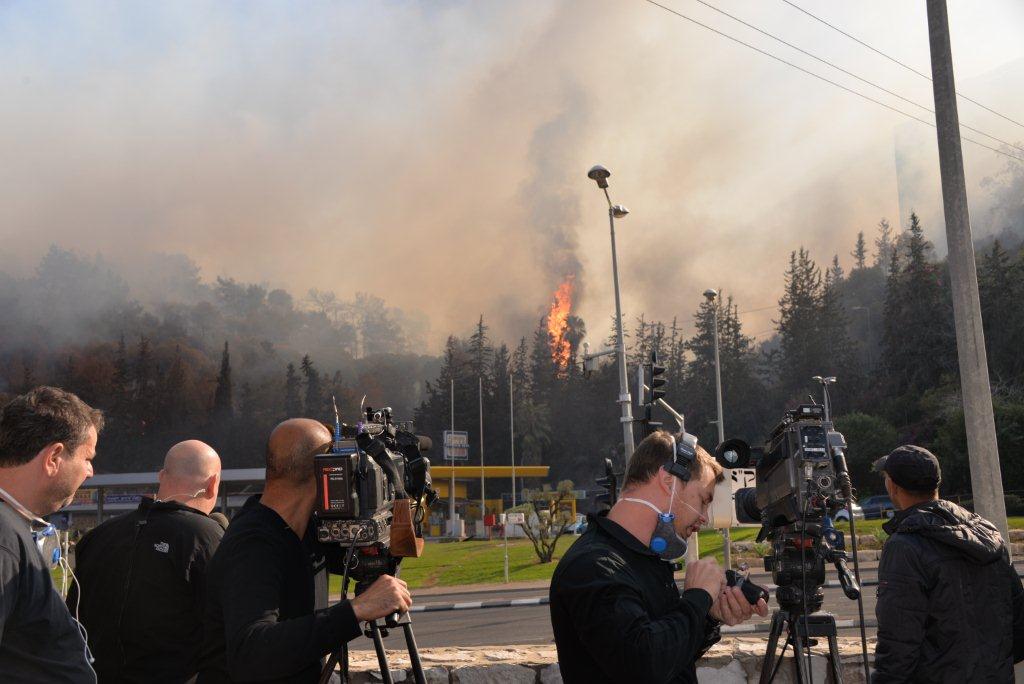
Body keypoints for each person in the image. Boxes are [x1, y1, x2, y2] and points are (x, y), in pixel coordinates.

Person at [198, 418, 412, 683]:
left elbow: (361, 563)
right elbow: (251, 651)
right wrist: (356, 610)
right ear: (325, 472)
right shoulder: (253, 544)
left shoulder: (306, 530)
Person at [550, 430, 768, 683]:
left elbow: (669, 660)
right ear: (668, 481)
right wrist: (698, 598)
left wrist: (707, 616)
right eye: (703, 500)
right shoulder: (594, 566)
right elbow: (643, 666)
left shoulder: (646, 560)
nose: (704, 517)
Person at [69, 440, 224, 683]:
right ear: (213, 484)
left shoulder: (98, 535)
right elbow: (227, 629)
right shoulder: (206, 537)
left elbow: (72, 619)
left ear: (161, 476)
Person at [872, 445, 1024, 683]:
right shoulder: (987, 532)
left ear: (892, 485)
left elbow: (898, 643)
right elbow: (1018, 623)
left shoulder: (904, 547)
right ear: (937, 483)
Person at [0, 386, 103, 682]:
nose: (90, 471)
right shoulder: (4, 536)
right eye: (87, 457)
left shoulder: (12, 526)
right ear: (54, 457)